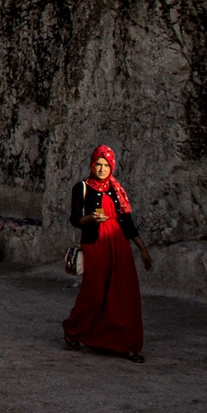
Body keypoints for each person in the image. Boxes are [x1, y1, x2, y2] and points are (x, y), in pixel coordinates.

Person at [63, 144, 153, 363]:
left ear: (111, 166)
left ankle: (128, 345)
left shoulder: (116, 189)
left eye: (106, 165)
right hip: (96, 243)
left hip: (118, 244)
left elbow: (127, 222)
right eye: (98, 164)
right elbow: (76, 219)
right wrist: (91, 219)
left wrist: (142, 250)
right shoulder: (82, 188)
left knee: (123, 293)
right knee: (95, 292)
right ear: (92, 165)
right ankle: (73, 329)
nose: (102, 169)